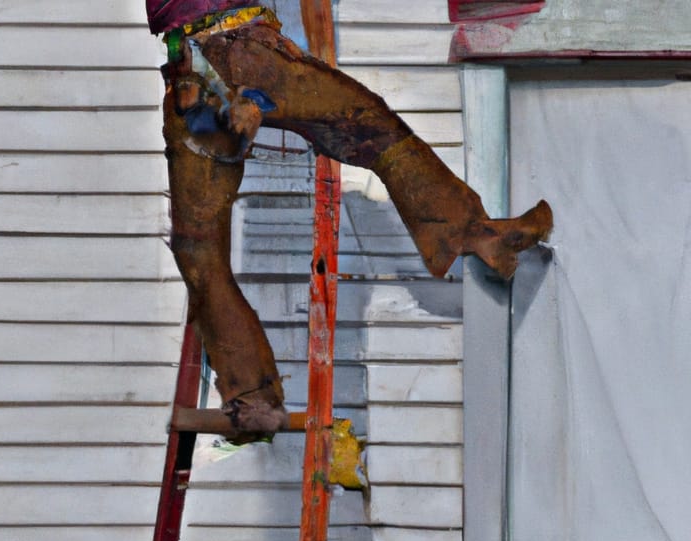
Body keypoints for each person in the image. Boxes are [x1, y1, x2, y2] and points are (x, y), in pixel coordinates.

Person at [148, 1, 552, 438]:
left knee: (199, 251)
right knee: (374, 130)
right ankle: (475, 234)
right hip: (241, 55)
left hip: (190, 77)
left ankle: (253, 400)